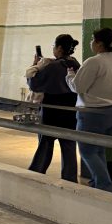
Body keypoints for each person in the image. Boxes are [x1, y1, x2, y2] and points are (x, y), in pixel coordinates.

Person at [66, 27, 112, 193]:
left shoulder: (94, 62)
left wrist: (70, 76)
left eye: (92, 39)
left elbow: (78, 87)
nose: (91, 43)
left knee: (87, 150)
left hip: (93, 113)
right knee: (99, 148)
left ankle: (105, 185)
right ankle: (97, 181)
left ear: (100, 43)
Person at [26, 34, 80, 183]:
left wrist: (35, 66)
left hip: (52, 109)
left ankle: (36, 172)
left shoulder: (52, 67)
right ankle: (70, 178)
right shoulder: (76, 64)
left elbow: (34, 84)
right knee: (69, 145)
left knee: (45, 142)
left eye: (54, 46)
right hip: (71, 109)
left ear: (59, 48)